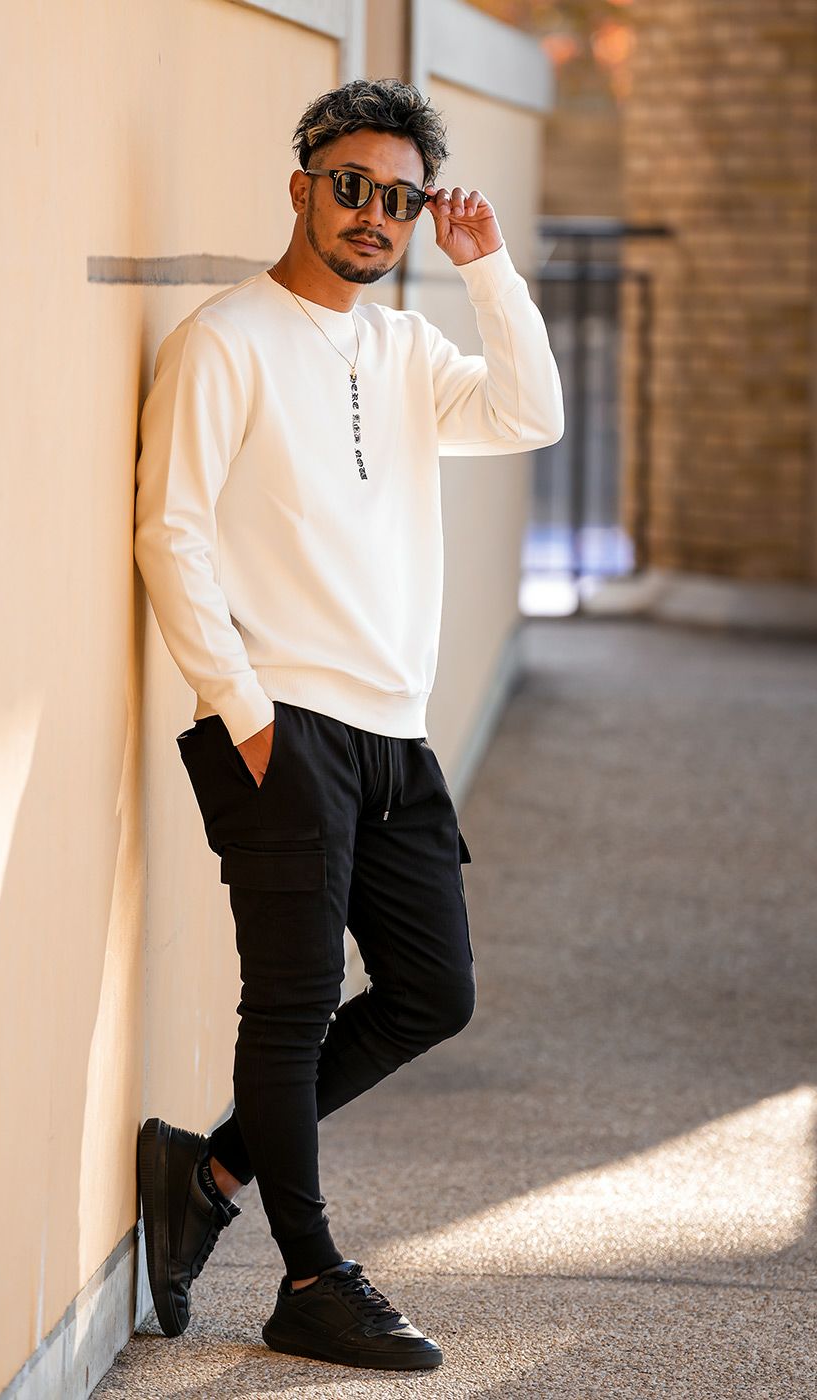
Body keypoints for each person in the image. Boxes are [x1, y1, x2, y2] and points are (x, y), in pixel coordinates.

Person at [133, 77, 564, 1372]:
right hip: (284, 726)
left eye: (400, 199)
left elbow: (530, 413)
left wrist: (486, 270)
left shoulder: (409, 351)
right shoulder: (225, 341)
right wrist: (246, 715)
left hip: (393, 734)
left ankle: (207, 1174)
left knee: (433, 991)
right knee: (295, 1003)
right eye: (352, 186)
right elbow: (170, 535)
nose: (375, 214)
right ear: (303, 186)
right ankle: (311, 1276)